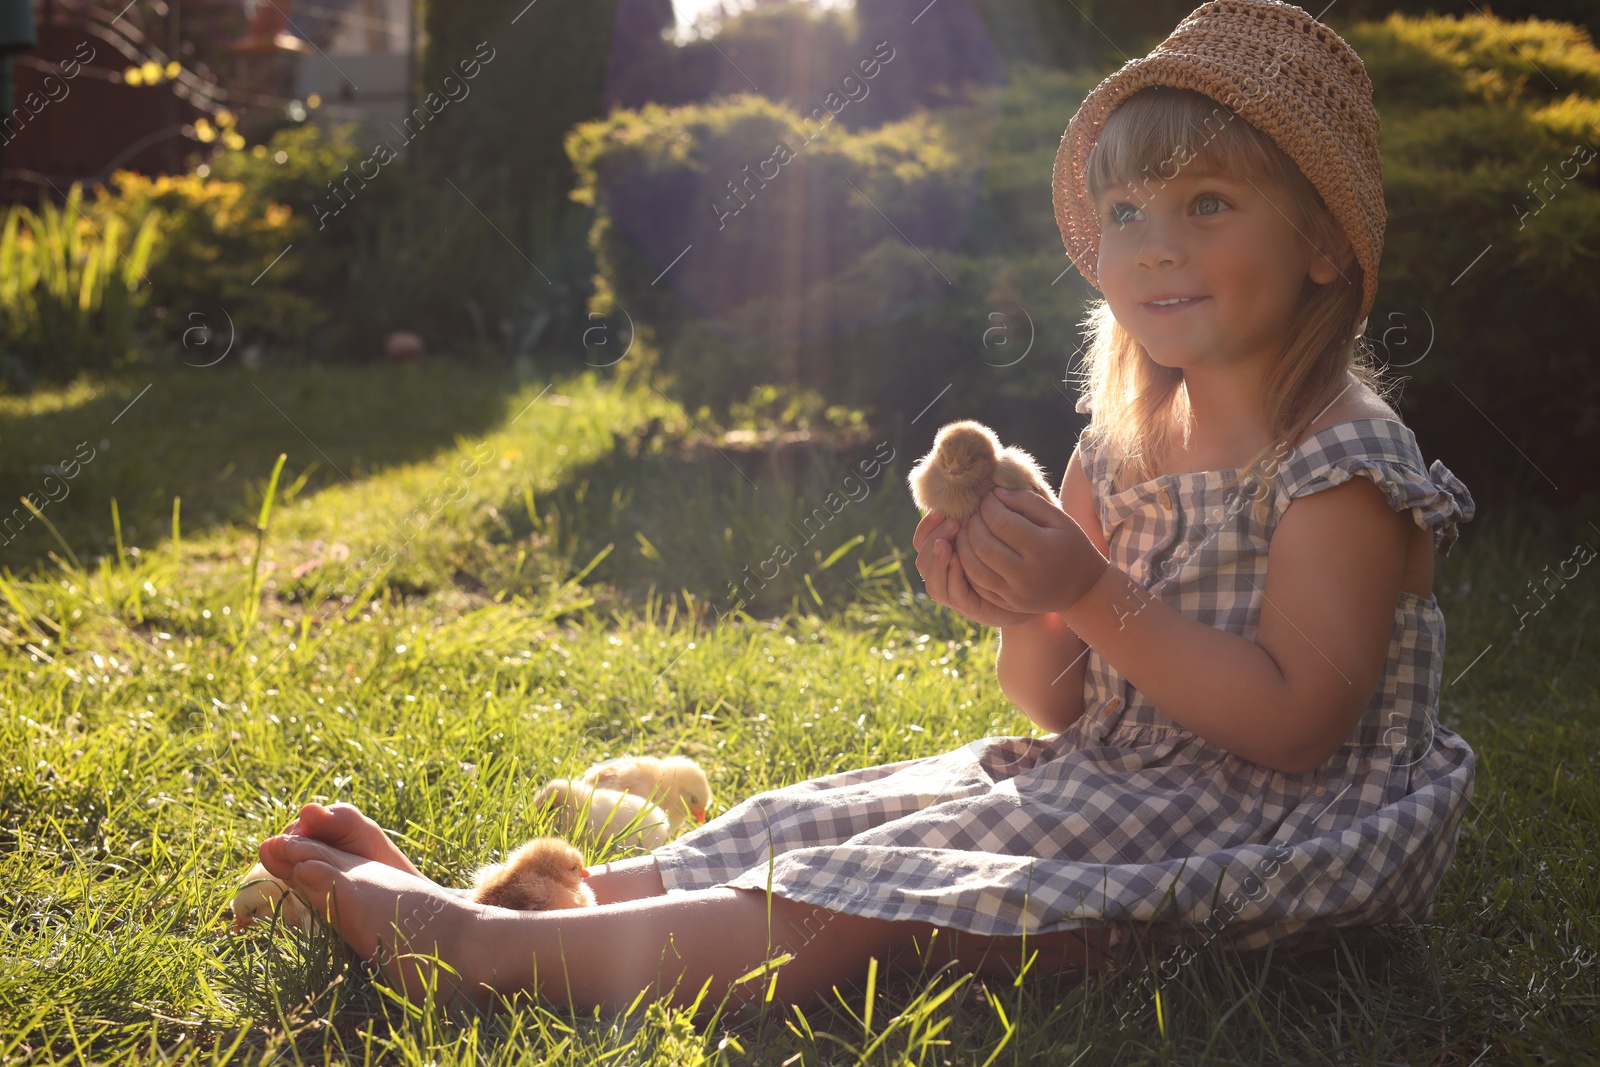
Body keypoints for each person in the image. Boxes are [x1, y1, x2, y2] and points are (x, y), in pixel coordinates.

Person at [255, 0, 1477, 1016]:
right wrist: (1015, 605)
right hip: (1109, 777)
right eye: (1123, 213)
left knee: (883, 906)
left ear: (1323, 244)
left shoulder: (1341, 463)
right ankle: (539, 901)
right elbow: (1057, 699)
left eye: (1206, 204)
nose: (1154, 246)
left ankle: (484, 957)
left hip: (1270, 834)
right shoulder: (1121, 447)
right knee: (824, 819)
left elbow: (1294, 724)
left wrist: (1085, 593)